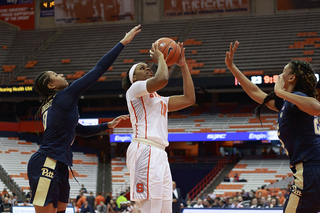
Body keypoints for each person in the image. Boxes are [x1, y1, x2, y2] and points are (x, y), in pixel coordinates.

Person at [27, 25, 141, 213]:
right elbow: (99, 69)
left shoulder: (56, 103)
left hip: (60, 163)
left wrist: (106, 126)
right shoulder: (63, 96)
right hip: (47, 162)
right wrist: (123, 42)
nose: (61, 75)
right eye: (56, 75)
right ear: (51, 85)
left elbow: (78, 129)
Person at [226, 41, 320, 213]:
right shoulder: (287, 103)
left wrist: (281, 92)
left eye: (283, 72)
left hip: (310, 170)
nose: (280, 76)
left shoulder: (296, 98)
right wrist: (232, 67)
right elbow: (255, 93)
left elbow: (316, 107)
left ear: (292, 78)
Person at [123, 40, 195, 213]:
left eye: (147, 66)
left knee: (165, 209)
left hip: (160, 153)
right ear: (134, 78)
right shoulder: (134, 90)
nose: (148, 68)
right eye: (142, 68)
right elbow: (162, 78)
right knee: (150, 208)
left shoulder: (159, 100)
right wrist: (161, 57)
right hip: (144, 148)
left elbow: (189, 99)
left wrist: (183, 66)